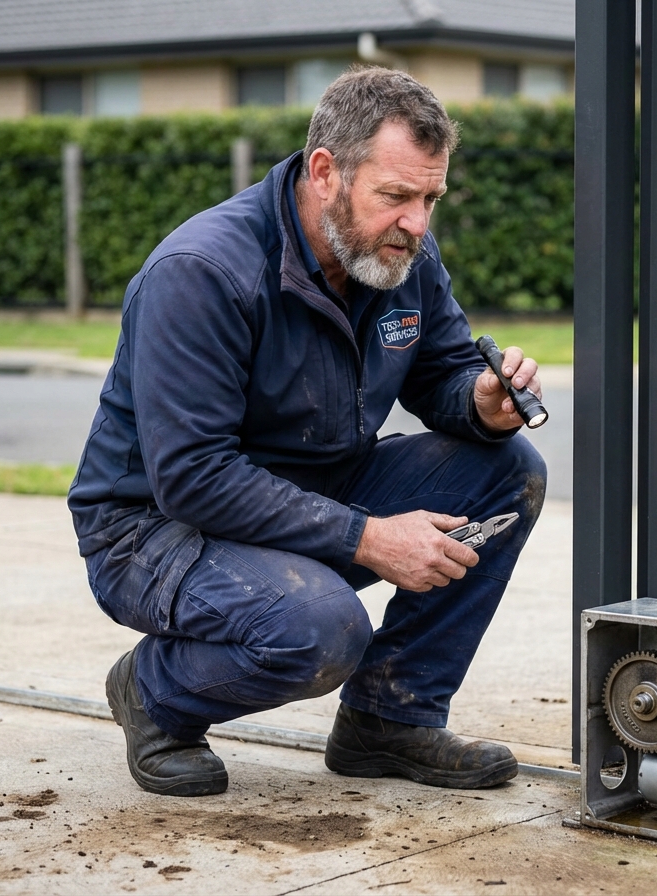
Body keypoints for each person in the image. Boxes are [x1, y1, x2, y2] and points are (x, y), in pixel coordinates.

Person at [67, 66, 547, 798]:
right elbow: (193, 476)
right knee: (324, 629)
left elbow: (443, 373)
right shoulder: (203, 273)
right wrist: (371, 538)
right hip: (153, 529)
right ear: (326, 172)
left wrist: (483, 401)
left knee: (508, 467)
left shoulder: (399, 256)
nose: (418, 223)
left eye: (430, 198)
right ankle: (154, 692)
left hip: (310, 492)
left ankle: (390, 719)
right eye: (396, 196)